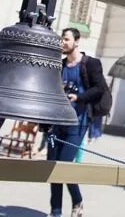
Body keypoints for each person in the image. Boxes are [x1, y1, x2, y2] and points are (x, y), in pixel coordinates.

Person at [46, 27, 107, 217]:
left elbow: (99, 88)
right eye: (61, 40)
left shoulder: (91, 64)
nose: (62, 43)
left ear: (77, 41)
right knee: (52, 167)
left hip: (78, 122)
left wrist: (78, 97)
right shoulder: (60, 65)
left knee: (64, 165)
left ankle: (77, 200)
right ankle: (56, 212)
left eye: (66, 39)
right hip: (58, 122)